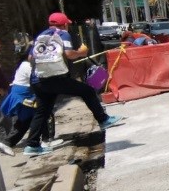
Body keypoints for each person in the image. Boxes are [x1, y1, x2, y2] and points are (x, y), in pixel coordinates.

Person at [23, 12, 122, 156]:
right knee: (87, 91)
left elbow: (31, 57)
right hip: (55, 78)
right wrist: (81, 53)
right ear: (64, 24)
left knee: (42, 112)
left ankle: (32, 145)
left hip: (38, 80)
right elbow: (69, 54)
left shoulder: (41, 36)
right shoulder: (63, 34)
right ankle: (103, 119)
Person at [0, 45, 58, 149]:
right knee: (42, 113)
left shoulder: (25, 65)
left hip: (24, 95)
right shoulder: (27, 66)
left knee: (30, 118)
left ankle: (7, 143)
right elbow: (40, 78)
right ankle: (46, 139)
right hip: (23, 97)